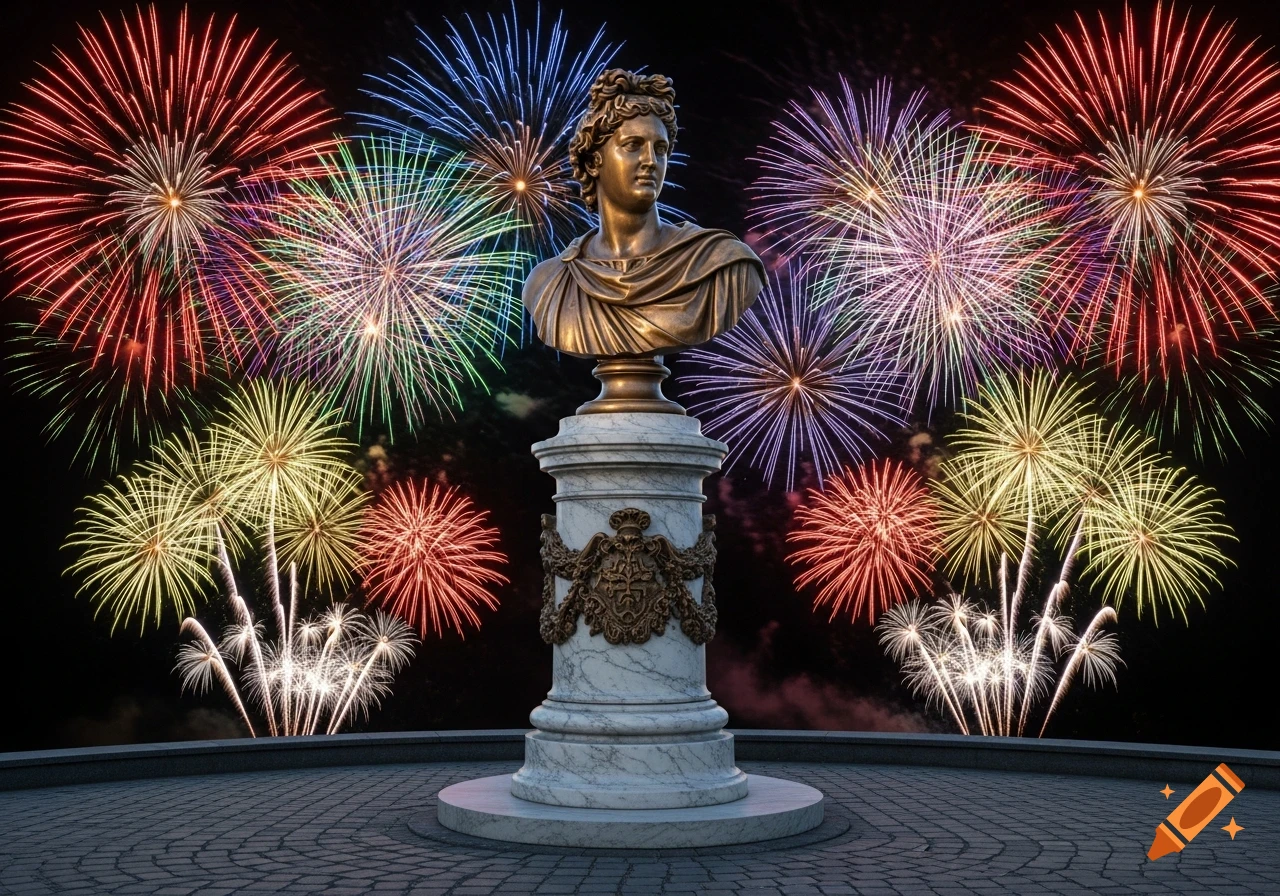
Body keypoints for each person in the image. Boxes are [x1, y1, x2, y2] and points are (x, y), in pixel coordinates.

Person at [522, 69, 764, 358]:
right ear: (593, 162)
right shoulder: (549, 283)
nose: (651, 161)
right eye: (633, 146)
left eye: (660, 149)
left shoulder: (721, 266)